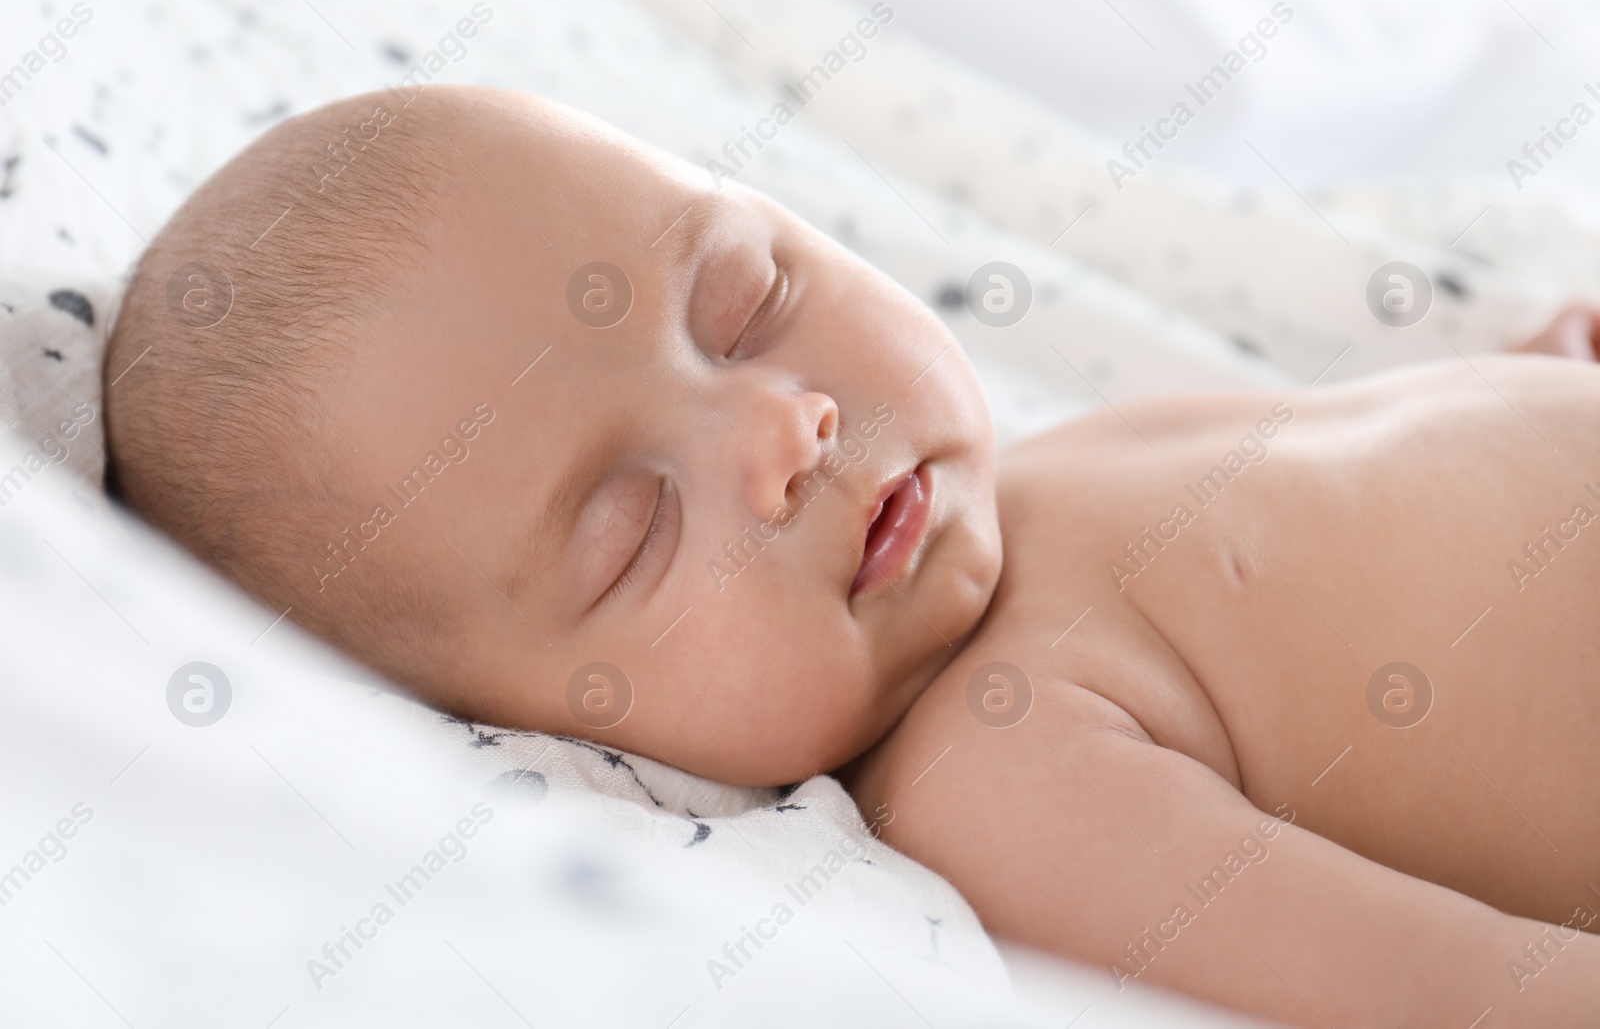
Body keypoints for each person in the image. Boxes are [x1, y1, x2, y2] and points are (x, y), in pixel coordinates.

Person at [103, 86, 1600, 1025]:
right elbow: (1449, 996)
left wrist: (1523, 383)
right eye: (637, 532)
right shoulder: (1004, 780)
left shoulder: (1039, 473)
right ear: (543, 728)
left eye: (749, 297)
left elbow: (1363, 484)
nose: (786, 434)